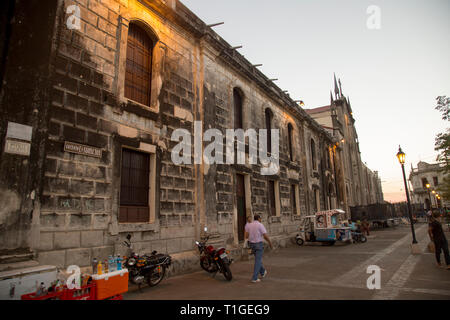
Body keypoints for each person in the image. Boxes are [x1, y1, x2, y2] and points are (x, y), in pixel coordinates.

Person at [244, 215, 273, 283]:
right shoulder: (260, 225)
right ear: (259, 218)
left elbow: (246, 235)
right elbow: (265, 235)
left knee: (258, 259)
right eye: (260, 218)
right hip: (258, 244)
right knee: (258, 260)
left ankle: (263, 272)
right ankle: (254, 278)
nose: (261, 220)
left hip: (252, 244)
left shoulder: (250, 225)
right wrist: (270, 242)